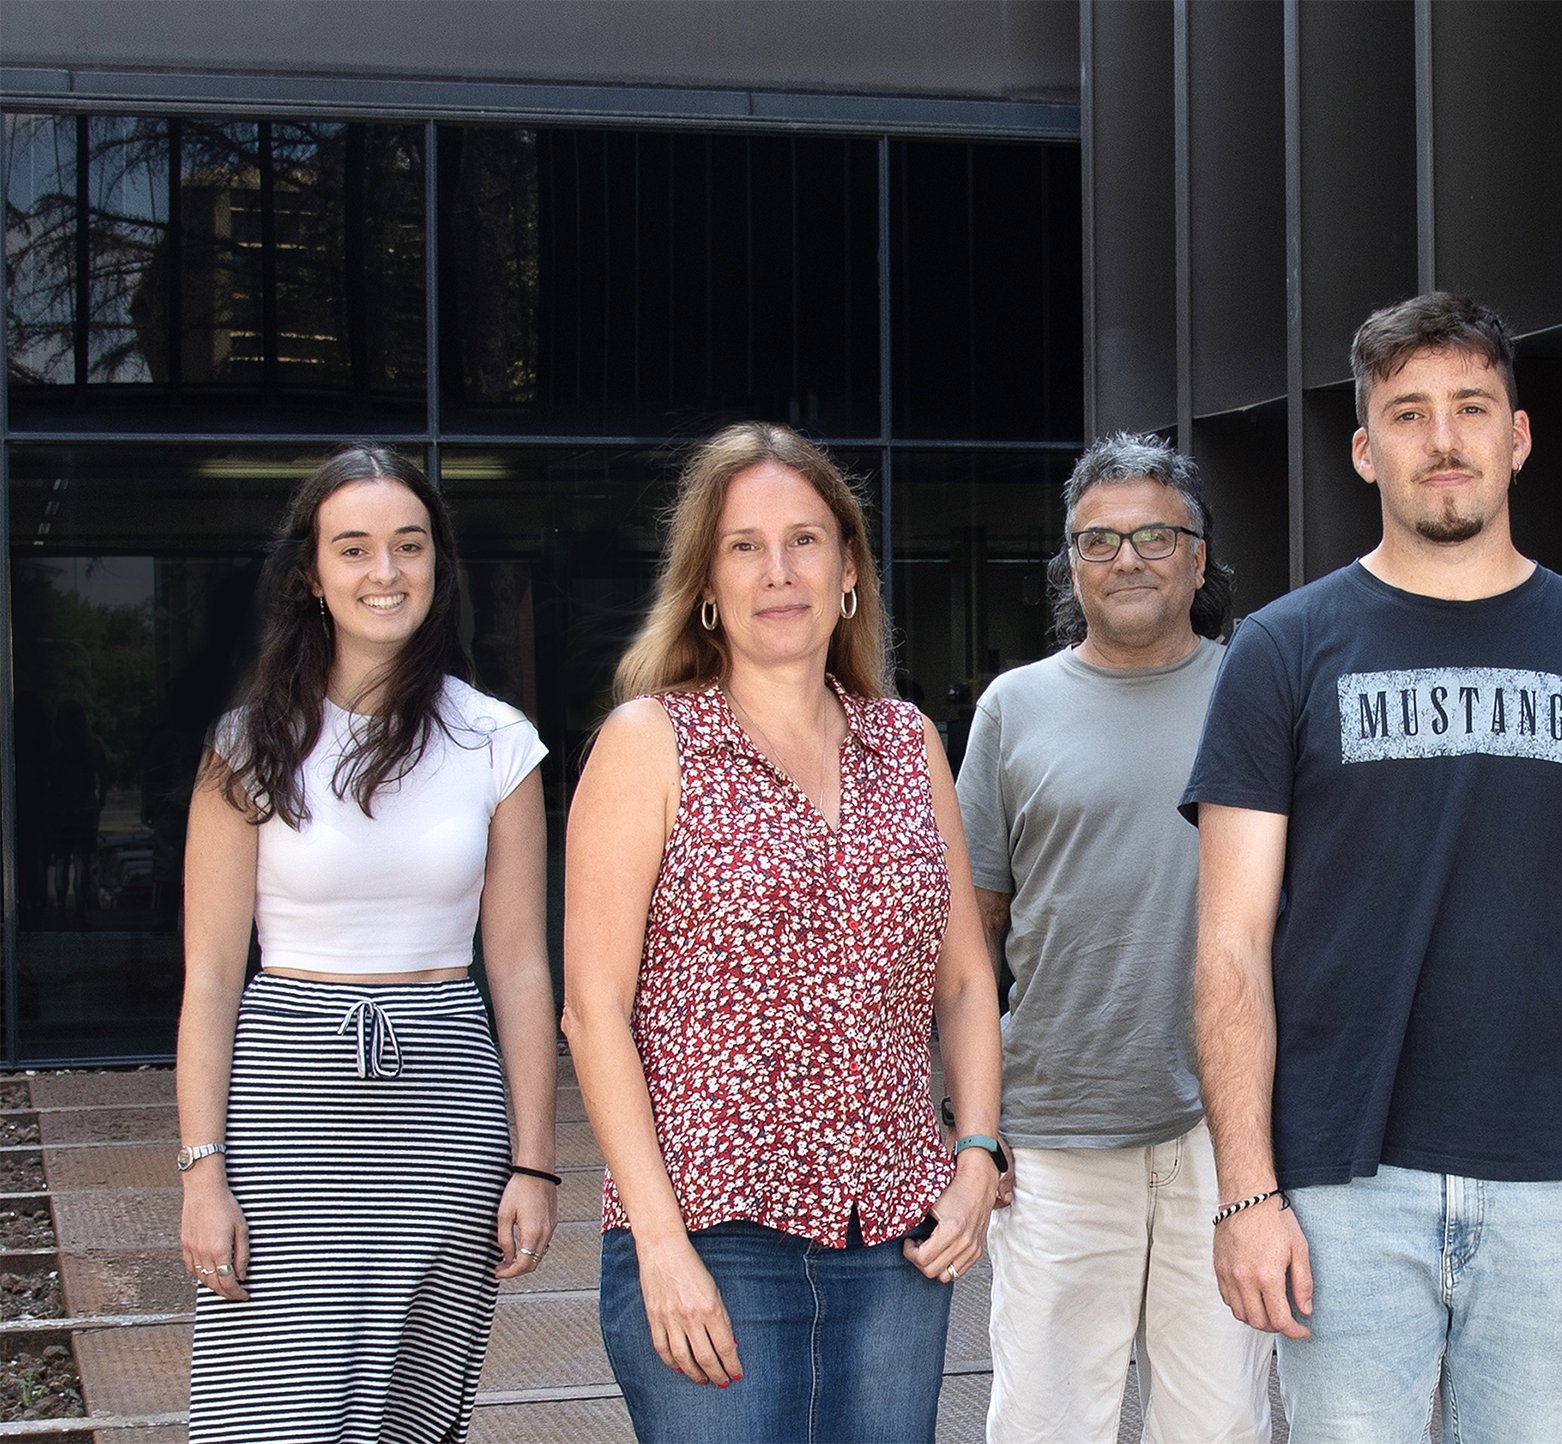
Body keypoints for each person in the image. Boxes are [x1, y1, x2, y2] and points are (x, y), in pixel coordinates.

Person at [1186, 291, 1562, 1444]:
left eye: (1470, 407)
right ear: (1364, 450)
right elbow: (1230, 942)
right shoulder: (1281, 650)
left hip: (1554, 1171)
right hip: (1340, 1177)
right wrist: (1246, 1189)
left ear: (1518, 436)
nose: (1443, 438)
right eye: (1407, 413)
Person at [563, 422, 1004, 1444]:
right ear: (706, 584)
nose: (779, 571)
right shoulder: (649, 743)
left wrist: (977, 1153)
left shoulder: (909, 744)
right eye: (744, 546)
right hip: (709, 1235)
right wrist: (660, 1246)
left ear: (848, 569)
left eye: (805, 540)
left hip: (896, 1239)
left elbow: (965, 981)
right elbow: (593, 1010)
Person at [176, 445, 559, 1443]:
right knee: (267, 1411)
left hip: (446, 1109)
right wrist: (201, 1171)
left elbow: (521, 968)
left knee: (407, 1413)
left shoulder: (498, 742)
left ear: (437, 563)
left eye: (409, 545)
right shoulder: (247, 744)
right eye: (353, 548)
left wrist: (534, 1163)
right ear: (312, 573)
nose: (384, 571)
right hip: (284, 1110)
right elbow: (210, 978)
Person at [959, 432, 1274, 1443]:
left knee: (1218, 1426)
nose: (1125, 558)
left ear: (1198, 556)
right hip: (1053, 1131)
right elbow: (968, 936)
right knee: (1046, 1424)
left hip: (1226, 1133)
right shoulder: (1013, 709)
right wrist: (969, 1117)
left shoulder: (1262, 689)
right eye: (1097, 541)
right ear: (1070, 566)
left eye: (1153, 536)